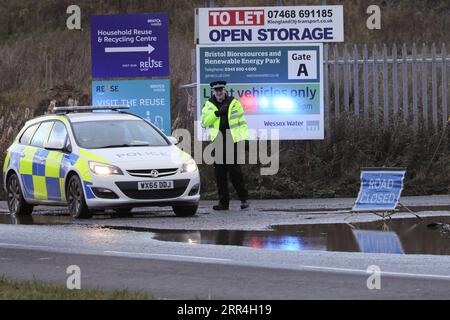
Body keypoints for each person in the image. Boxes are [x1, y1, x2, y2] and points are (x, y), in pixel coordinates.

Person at [201, 80, 250, 211]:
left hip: (232, 140)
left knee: (235, 172)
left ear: (224, 90)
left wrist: (244, 139)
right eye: (216, 90)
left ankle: (244, 199)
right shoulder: (208, 105)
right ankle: (224, 203)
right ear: (213, 91)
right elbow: (204, 122)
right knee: (220, 174)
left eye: (221, 90)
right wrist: (217, 113)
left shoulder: (234, 103)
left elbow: (242, 123)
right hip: (217, 141)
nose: (219, 92)